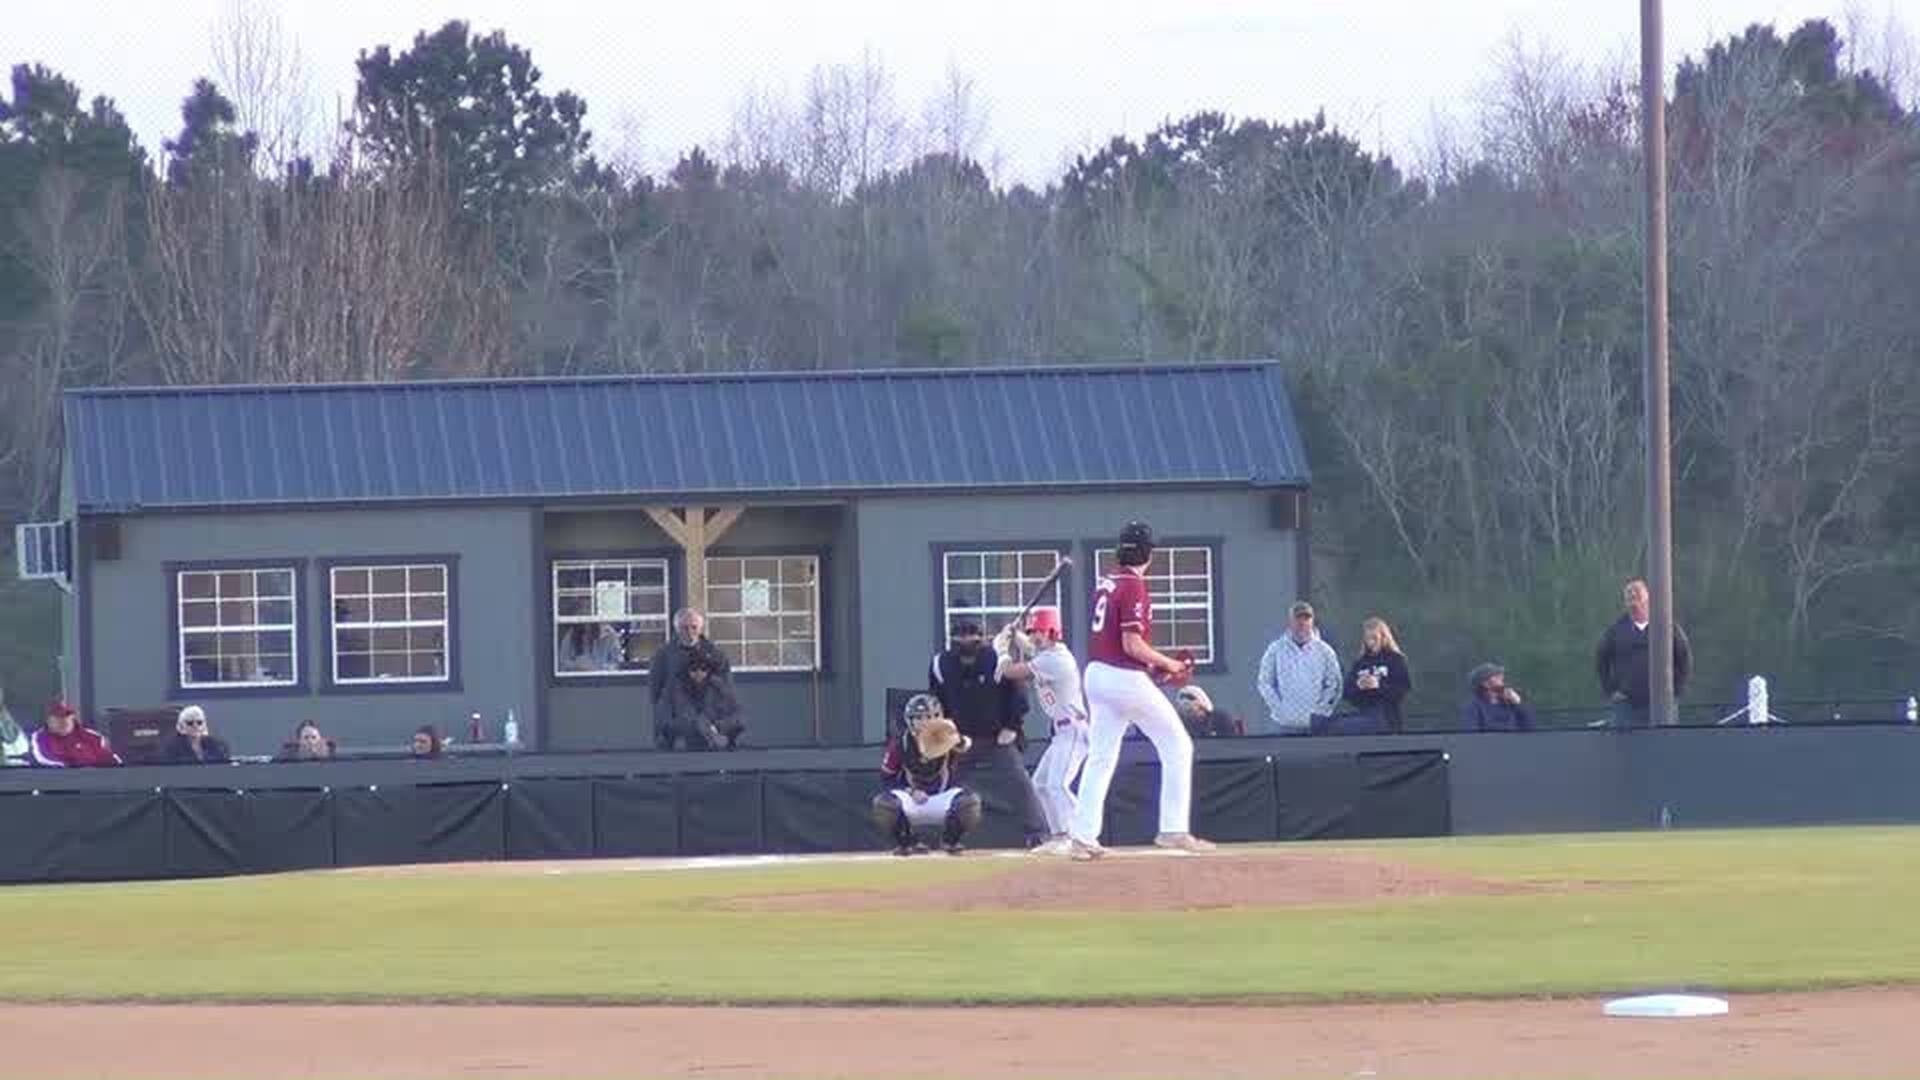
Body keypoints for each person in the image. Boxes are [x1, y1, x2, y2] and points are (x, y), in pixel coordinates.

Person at [1067, 521, 1215, 860]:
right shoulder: (1134, 585)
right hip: (1122, 677)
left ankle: (1082, 837)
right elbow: (1131, 644)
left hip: (1096, 673)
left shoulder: (1107, 581)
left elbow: (1118, 644)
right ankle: (1173, 829)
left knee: (1101, 757)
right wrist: (1170, 664)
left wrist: (1151, 666)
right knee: (1177, 745)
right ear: (1148, 553)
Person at [931, 616, 1048, 847]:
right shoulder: (940, 664)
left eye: (971, 635)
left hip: (997, 738)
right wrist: (945, 733)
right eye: (961, 636)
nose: (966, 640)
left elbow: (1019, 695)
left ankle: (1038, 834)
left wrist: (1012, 726)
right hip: (959, 740)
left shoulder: (995, 658)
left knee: (1019, 783)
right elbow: (937, 701)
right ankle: (948, 838)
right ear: (953, 639)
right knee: (948, 788)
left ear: (981, 638)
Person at [996, 606, 1088, 856]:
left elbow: (1011, 672)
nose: (1035, 636)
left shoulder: (1056, 659)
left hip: (1074, 729)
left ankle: (1081, 835)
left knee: (1057, 785)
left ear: (1053, 632)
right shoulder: (1047, 653)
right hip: (1061, 732)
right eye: (1032, 631)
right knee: (1041, 784)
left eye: (1040, 631)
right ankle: (1060, 835)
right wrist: (1015, 635)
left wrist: (1002, 650)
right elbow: (1031, 649)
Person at [872, 694, 983, 856]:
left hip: (942, 797)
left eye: (932, 716)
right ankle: (908, 842)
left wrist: (955, 740)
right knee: (884, 805)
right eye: (920, 718)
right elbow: (886, 777)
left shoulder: (947, 737)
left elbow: (965, 744)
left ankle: (950, 840)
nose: (926, 722)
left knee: (970, 803)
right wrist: (911, 791)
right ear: (910, 720)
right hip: (913, 800)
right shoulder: (900, 744)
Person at [1595, 579, 1693, 728]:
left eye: (1637, 597)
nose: (1633, 602)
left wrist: (1675, 691)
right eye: (1629, 598)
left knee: (1663, 740)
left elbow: (1684, 659)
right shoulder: (1615, 631)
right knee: (1625, 743)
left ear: (1648, 600)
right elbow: (1601, 661)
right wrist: (1611, 691)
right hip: (1626, 706)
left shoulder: (1668, 627)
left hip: (1662, 704)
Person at [1255, 601, 1343, 734]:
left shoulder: (1325, 651)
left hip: (1317, 726)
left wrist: (1320, 712)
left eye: (1306, 618)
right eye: (1298, 618)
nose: (1302, 623)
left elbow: (1334, 685)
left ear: (1312, 621)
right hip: (1284, 726)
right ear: (1290, 622)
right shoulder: (1275, 649)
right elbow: (1264, 682)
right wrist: (1280, 710)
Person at [650, 609, 733, 746]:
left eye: (694, 627)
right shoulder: (663, 656)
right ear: (677, 629)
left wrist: (718, 724)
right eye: (684, 627)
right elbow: (655, 691)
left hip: (708, 719)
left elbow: (726, 690)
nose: (689, 632)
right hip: (675, 720)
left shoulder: (716, 655)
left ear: (701, 628)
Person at [1341, 616, 1413, 734]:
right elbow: (1347, 692)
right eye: (1368, 638)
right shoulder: (1360, 663)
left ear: (1383, 637)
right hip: (1364, 714)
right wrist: (1358, 686)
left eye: (1374, 638)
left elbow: (1403, 688)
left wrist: (1378, 685)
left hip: (1387, 719)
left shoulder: (1395, 660)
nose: (1371, 642)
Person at [662, 650, 745, 750]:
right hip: (687, 744)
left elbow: (738, 717)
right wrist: (693, 726)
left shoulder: (719, 688)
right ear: (686, 670)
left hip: (718, 740)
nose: (699, 673)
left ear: (709, 670)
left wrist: (716, 727)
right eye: (693, 669)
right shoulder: (675, 689)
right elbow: (666, 720)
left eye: (703, 669)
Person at [29, 700, 121, 768]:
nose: (64, 720)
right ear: (48, 720)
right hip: (60, 784)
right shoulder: (40, 737)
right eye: (58, 717)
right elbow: (43, 760)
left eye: (67, 715)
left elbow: (113, 762)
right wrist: (71, 768)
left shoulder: (93, 737)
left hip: (96, 783)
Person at [1461, 663, 1535, 732]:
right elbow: (1472, 736)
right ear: (1485, 683)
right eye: (1495, 675)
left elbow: (1531, 729)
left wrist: (1519, 703)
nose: (1501, 676)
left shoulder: (1511, 703)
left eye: (1500, 674)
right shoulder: (1473, 708)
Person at [159, 705, 231, 764]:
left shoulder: (216, 745)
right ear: (181, 726)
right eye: (190, 723)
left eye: (199, 722)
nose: (195, 726)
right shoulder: (171, 748)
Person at [1173, 685, 1244, 737]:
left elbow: (1232, 745)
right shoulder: (1178, 725)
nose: (1191, 714)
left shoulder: (1221, 719)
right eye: (1188, 712)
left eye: (1198, 709)